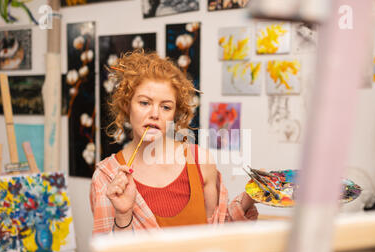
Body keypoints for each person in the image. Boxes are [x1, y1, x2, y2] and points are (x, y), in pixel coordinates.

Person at [91, 50, 258, 235]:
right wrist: (123, 216)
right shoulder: (106, 178)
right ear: (126, 105)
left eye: (166, 107)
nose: (155, 114)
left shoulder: (201, 161)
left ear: (174, 113)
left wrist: (250, 197)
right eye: (145, 103)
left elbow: (217, 233)